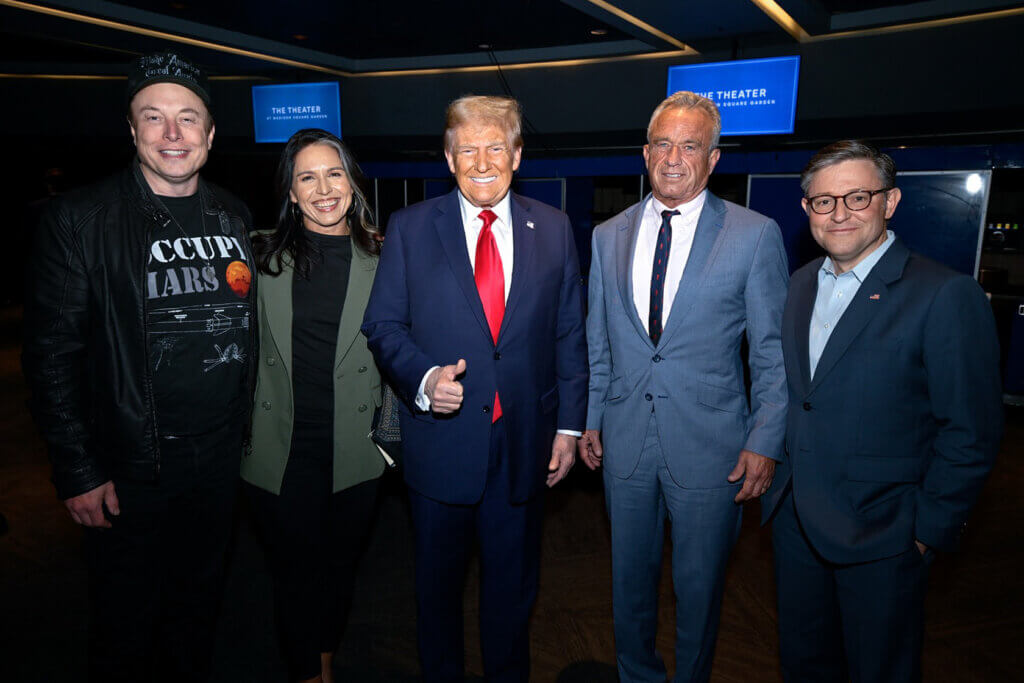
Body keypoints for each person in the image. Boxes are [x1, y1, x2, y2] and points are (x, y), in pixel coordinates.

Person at [22, 52, 255, 682]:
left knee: (198, 612)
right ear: (132, 130)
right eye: (154, 117)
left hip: (218, 461)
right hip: (131, 467)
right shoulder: (80, 219)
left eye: (188, 118)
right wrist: (77, 469)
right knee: (125, 625)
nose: (172, 134)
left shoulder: (234, 215)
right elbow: (51, 356)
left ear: (210, 133)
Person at [361, 95, 588, 682]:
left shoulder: (554, 227)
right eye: (467, 150)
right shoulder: (410, 228)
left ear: (517, 154)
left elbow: (569, 333)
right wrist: (424, 378)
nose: (482, 162)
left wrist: (568, 427)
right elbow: (382, 325)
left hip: (524, 445)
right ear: (448, 157)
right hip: (441, 447)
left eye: (495, 148)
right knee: (437, 595)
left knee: (512, 595)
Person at [762, 140, 1003, 683]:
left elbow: (971, 432)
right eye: (824, 201)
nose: (839, 213)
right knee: (803, 666)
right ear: (806, 209)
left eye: (857, 197)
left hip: (884, 536)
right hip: (797, 527)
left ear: (889, 202)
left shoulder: (944, 295)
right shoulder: (799, 285)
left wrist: (927, 531)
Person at [579, 91, 788, 683]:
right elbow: (598, 342)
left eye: (690, 146)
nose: (674, 158)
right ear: (645, 153)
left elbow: (772, 354)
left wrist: (765, 440)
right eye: (663, 144)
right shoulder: (607, 235)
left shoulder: (755, 234)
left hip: (712, 447)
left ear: (713, 158)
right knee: (628, 585)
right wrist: (591, 418)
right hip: (624, 441)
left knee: (699, 589)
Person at [242, 128, 387, 683]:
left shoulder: (385, 257)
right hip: (279, 450)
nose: (324, 189)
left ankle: (324, 660)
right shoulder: (257, 255)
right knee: (295, 573)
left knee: (339, 569)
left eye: (334, 174)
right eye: (307, 177)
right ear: (291, 191)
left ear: (353, 182)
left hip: (355, 450)